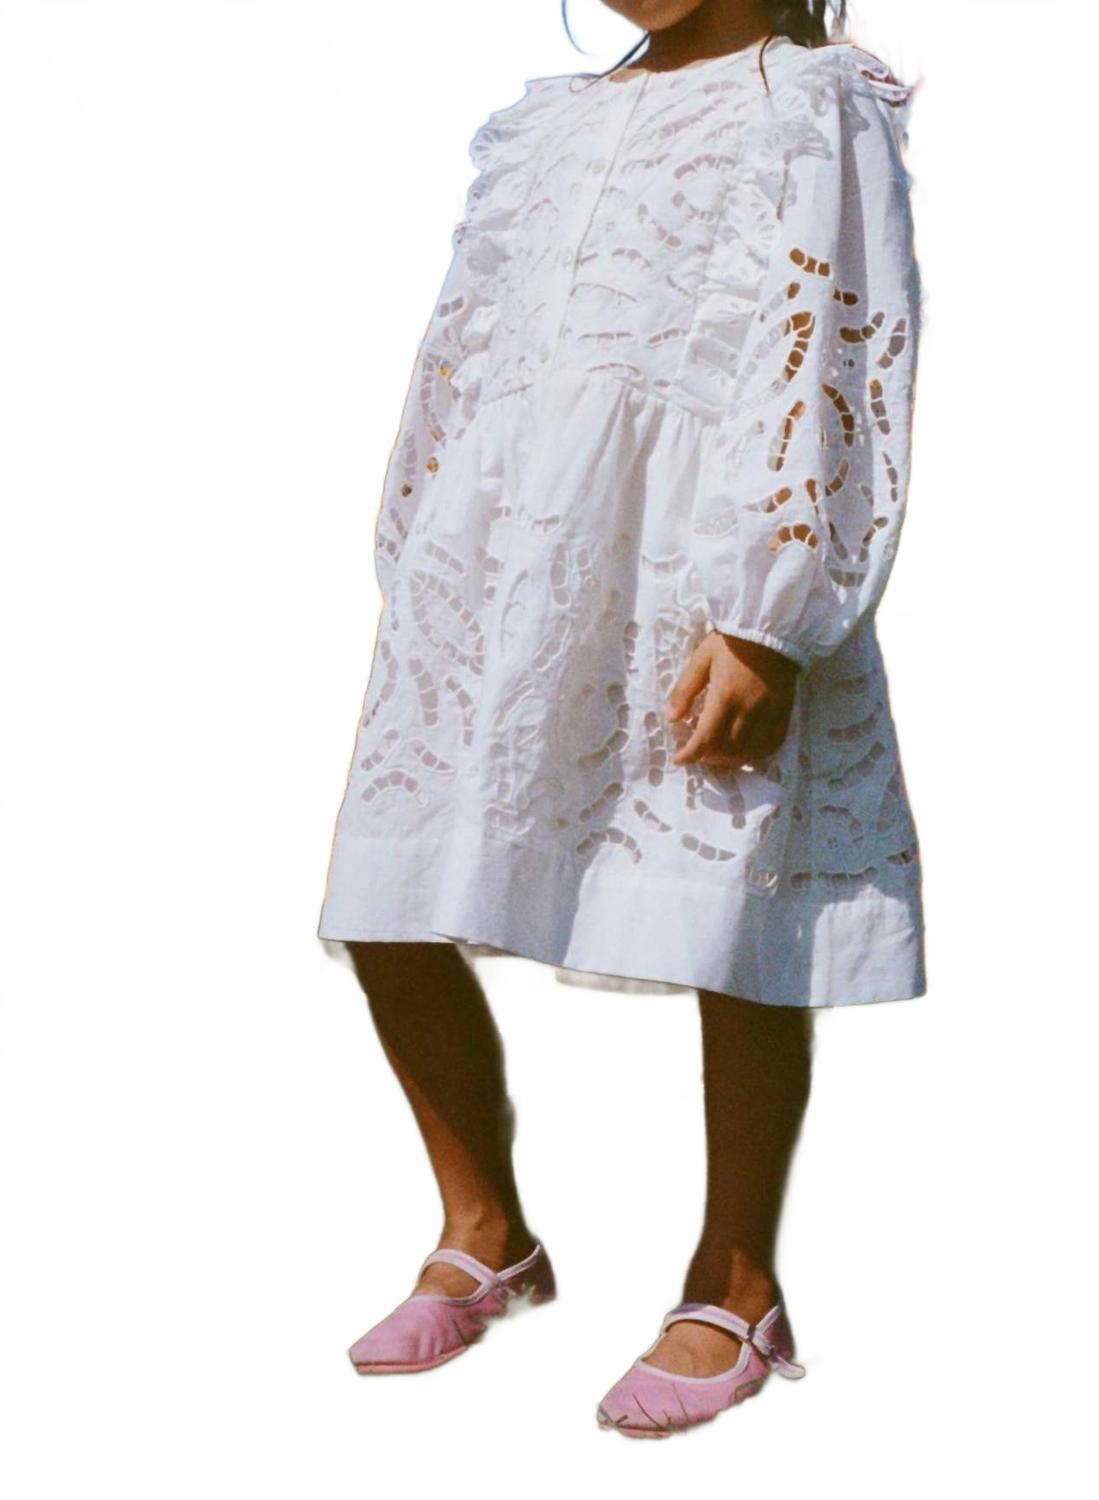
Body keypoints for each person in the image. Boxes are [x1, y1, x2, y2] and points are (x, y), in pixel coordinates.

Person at [316, 0, 926, 1438]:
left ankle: (734, 1282)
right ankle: (482, 1228)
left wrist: (769, 610)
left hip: (692, 565)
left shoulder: (809, 99)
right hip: (496, 562)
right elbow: (459, 348)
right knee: (390, 888)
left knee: (731, 901)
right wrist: (422, 545)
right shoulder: (546, 121)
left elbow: (838, 348)